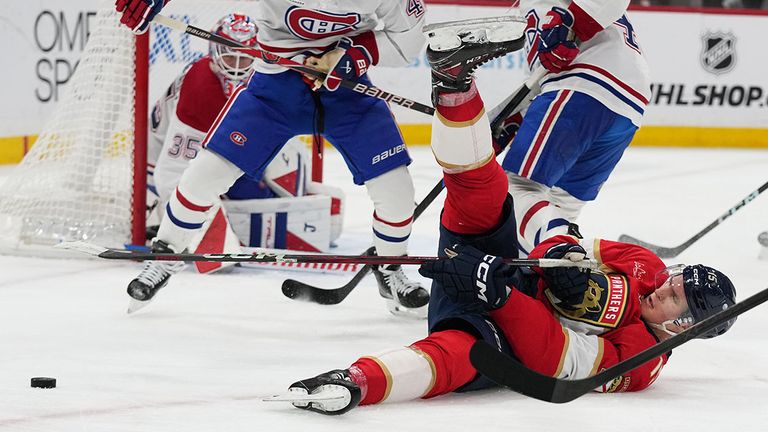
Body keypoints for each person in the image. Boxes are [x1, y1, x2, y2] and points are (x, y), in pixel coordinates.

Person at [276, 27, 736, 415]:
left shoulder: (639, 363)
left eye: (673, 296)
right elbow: (560, 230)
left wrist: (496, 296)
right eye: (673, 279)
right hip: (499, 268)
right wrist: (560, 253)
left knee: (459, 355)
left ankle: (354, 382)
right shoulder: (643, 267)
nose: (662, 286)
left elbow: (552, 358)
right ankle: (454, 84)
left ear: (686, 327)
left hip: (500, 324)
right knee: (485, 191)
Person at [115, 0, 431, 318]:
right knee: (204, 176)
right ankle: (167, 254)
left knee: (397, 192)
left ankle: (391, 268)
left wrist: (354, 56)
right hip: (275, 90)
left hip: (346, 91)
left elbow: (408, 38)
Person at [491, 0, 651, 255]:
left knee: (518, 189)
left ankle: (568, 257)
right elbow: (540, 75)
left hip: (584, 83)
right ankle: (559, 278)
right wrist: (509, 118)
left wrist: (573, 21)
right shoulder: (526, 9)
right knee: (559, 205)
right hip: (626, 104)